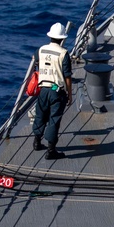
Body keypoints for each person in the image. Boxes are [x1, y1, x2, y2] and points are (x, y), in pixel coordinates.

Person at [32, 23, 73, 160]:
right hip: (56, 91)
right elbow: (67, 76)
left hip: (43, 90)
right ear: (62, 39)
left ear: (50, 36)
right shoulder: (64, 54)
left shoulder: (41, 50)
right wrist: (69, 95)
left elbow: (36, 61)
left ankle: (37, 142)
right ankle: (51, 150)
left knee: (40, 115)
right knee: (54, 120)